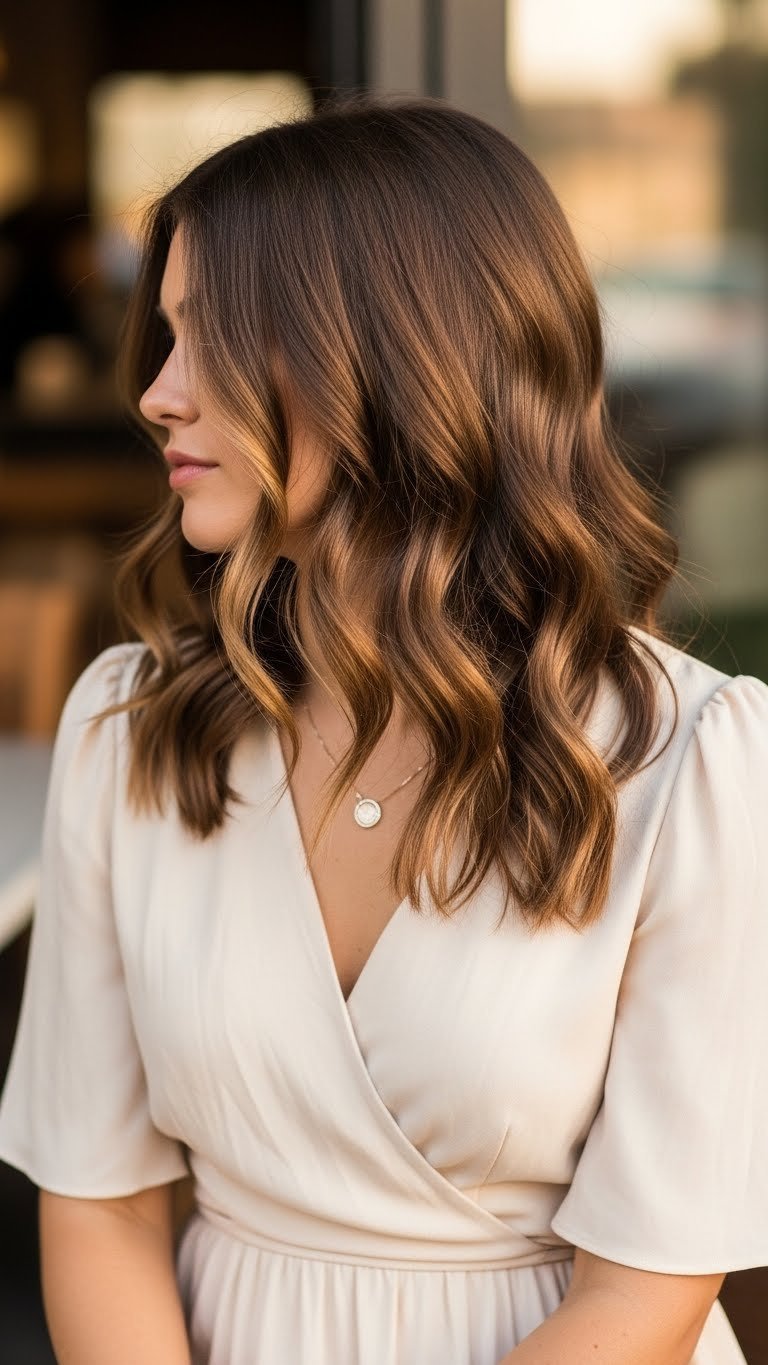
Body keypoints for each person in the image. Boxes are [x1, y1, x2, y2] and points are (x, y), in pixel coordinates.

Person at [0, 94, 766, 1365]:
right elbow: (101, 1206)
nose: (155, 395)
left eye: (211, 342)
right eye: (165, 340)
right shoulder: (131, 731)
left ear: (394, 359)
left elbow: (646, 1298)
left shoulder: (694, 764)